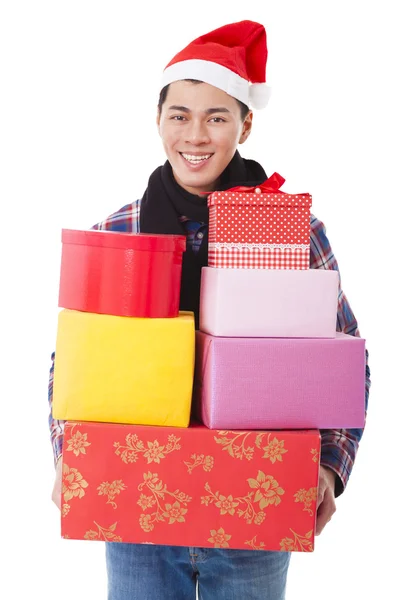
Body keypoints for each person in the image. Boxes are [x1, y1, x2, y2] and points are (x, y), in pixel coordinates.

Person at [49, 19, 371, 600]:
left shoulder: (296, 234)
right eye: (180, 115)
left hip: (254, 508)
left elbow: (346, 361)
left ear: (246, 125)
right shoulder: (119, 232)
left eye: (217, 117)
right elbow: (74, 366)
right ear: (158, 121)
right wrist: (69, 457)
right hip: (138, 510)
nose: (195, 135)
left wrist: (328, 466)